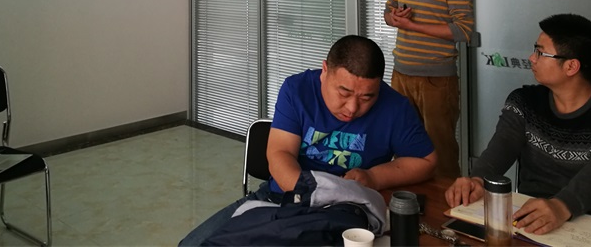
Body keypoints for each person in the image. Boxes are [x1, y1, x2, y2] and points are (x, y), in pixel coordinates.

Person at [180, 34, 437, 246]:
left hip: (347, 209)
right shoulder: (297, 90)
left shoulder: (395, 107)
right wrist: (313, 195)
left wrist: (373, 177)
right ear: (325, 71)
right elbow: (279, 154)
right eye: (344, 92)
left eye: (366, 97)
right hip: (282, 198)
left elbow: (426, 161)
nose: (352, 107)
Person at [445, 13, 591, 235]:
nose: (532, 58)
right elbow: (501, 147)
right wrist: (477, 180)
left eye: (540, 52)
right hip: (531, 222)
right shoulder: (524, 102)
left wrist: (561, 206)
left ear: (571, 66)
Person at [384, 0, 474, 177]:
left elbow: (463, 30)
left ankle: (445, 200)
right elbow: (388, 11)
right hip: (401, 73)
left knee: (440, 148)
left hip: (436, 79)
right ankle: (408, 199)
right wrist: (394, 17)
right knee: (402, 144)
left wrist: (412, 26)